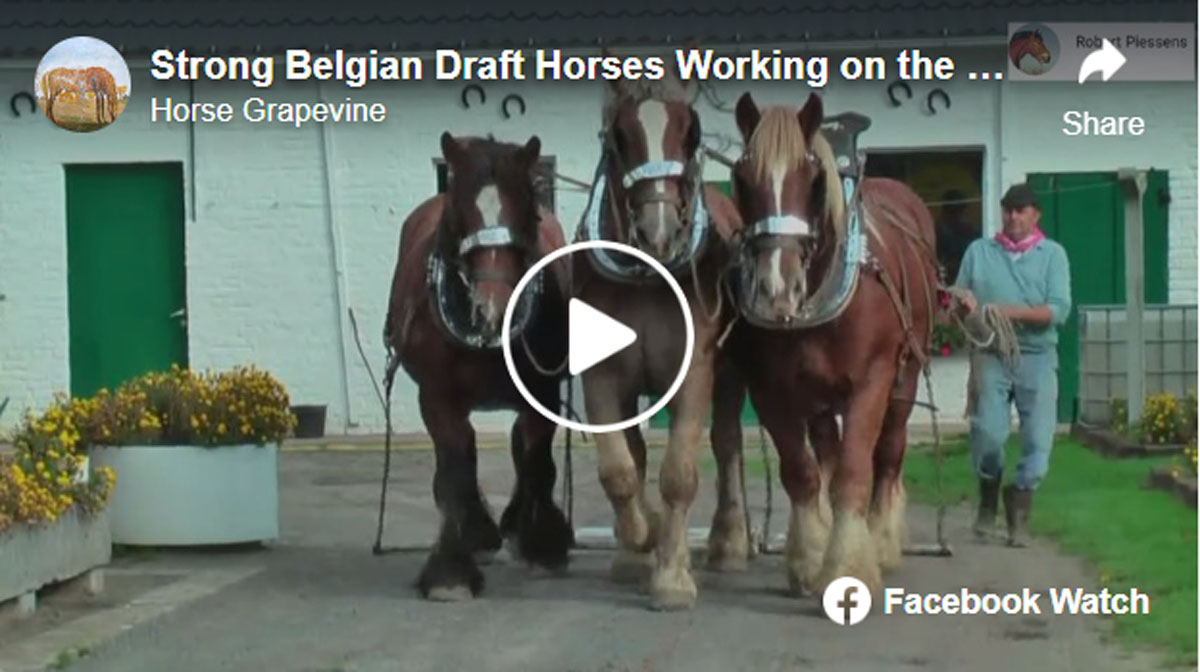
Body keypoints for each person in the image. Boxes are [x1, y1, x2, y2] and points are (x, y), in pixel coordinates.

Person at [953, 183, 1072, 547]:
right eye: (1008, 210)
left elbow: (1058, 310)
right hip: (991, 353)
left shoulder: (1053, 255)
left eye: (1021, 211)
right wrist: (965, 305)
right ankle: (987, 501)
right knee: (988, 434)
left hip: (1037, 356)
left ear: (1035, 215)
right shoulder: (979, 251)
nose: (1013, 217)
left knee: (1038, 441)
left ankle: (1019, 512)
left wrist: (1008, 311)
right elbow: (956, 299)